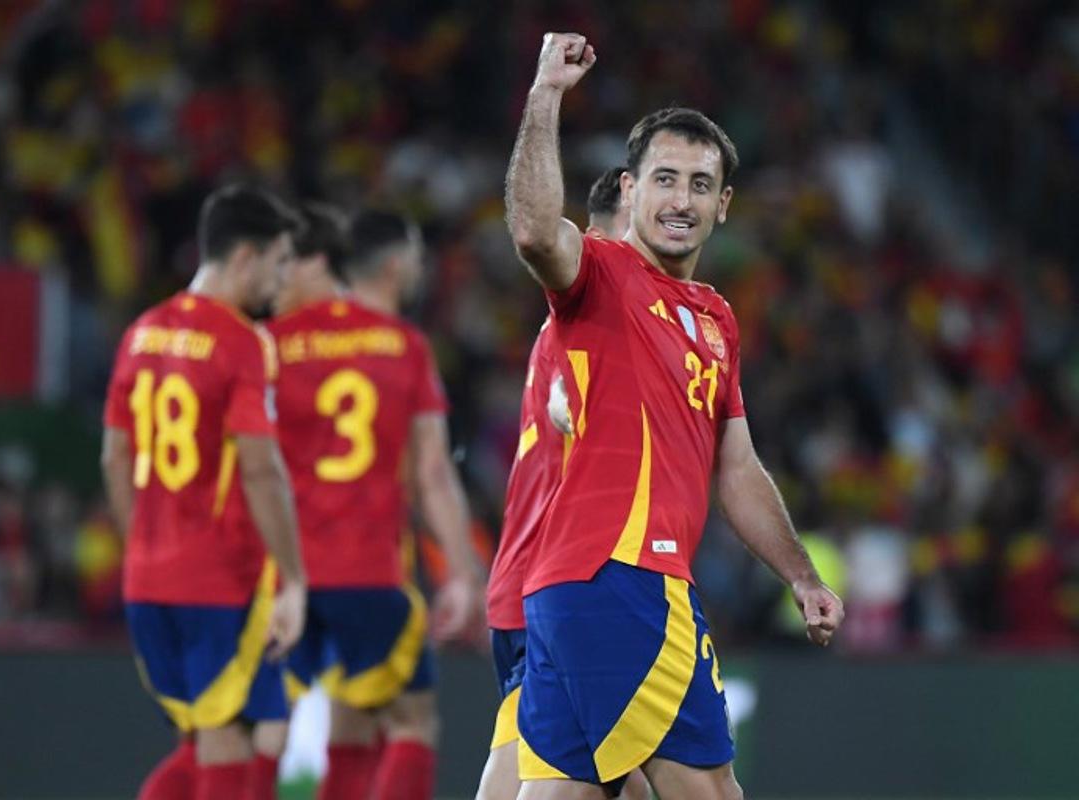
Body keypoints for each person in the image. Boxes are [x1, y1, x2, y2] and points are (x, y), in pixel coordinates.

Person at [504, 33, 845, 799]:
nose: (680, 201)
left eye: (699, 184)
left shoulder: (716, 318)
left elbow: (738, 466)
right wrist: (545, 94)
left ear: (723, 205)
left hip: (572, 590)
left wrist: (800, 574)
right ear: (629, 190)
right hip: (626, 577)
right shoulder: (603, 274)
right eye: (664, 180)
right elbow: (532, 233)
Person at [265, 207, 485, 800]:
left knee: (281, 729)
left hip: (282, 575)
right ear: (394, 266)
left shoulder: (278, 342)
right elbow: (433, 473)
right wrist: (462, 575)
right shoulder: (404, 347)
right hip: (368, 570)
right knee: (410, 722)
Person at [101, 185, 307, 800]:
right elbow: (260, 468)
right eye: (276, 265)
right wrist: (293, 580)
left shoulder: (140, 334)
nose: (278, 284)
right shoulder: (242, 342)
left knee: (251, 730)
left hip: (149, 579)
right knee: (225, 743)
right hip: (219, 578)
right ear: (245, 257)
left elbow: (114, 454)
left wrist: (141, 545)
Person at [476, 166, 645, 800]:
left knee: (570, 776)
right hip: (563, 586)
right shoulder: (593, 307)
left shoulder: (560, 328)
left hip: (527, 583)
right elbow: (565, 398)